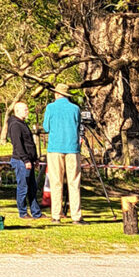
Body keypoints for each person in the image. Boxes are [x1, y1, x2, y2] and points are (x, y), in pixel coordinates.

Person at [42, 84, 83, 224]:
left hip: (55, 148)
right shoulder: (75, 108)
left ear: (56, 94)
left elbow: (46, 127)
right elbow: (78, 126)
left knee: (56, 181)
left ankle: (56, 215)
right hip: (72, 148)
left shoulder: (50, 107)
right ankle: (76, 216)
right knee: (74, 182)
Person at [7, 101, 44, 221]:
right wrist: (26, 160)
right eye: (25, 110)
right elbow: (18, 145)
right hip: (21, 161)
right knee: (23, 187)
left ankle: (36, 212)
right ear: (17, 111)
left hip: (29, 160)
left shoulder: (23, 123)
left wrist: (35, 159)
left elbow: (29, 143)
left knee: (32, 187)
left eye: (27, 109)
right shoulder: (15, 125)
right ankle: (23, 212)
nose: (27, 111)